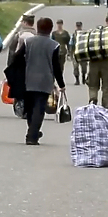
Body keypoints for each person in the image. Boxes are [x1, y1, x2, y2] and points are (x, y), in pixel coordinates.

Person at [12, 17, 65, 145]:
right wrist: (61, 84)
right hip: (45, 80)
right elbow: (56, 67)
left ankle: (32, 131)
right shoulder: (54, 45)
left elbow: (17, 56)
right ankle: (32, 135)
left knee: (29, 108)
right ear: (50, 29)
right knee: (39, 109)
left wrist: (21, 70)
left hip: (28, 78)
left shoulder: (28, 42)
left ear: (38, 27)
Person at [87, 12, 108, 110]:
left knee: (93, 85)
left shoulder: (97, 31)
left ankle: (92, 102)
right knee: (106, 87)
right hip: (106, 62)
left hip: (93, 62)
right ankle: (105, 108)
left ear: (106, 21)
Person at [69, 21, 88, 85]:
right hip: (76, 52)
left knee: (84, 67)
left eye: (79, 26)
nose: (78, 27)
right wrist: (70, 53)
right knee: (75, 67)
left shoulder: (84, 34)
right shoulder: (74, 34)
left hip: (83, 53)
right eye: (77, 26)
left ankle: (83, 78)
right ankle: (77, 80)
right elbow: (71, 44)